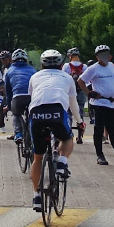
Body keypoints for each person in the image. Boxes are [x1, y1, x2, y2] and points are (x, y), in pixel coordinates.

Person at [23, 50, 77, 212]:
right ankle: (62, 162)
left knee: (37, 158)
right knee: (67, 138)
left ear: (42, 65)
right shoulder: (67, 77)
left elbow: (32, 97)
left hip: (37, 113)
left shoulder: (35, 77)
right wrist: (80, 122)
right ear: (61, 65)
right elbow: (73, 104)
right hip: (57, 111)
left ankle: (36, 196)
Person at [80, 45, 114, 165]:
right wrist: (89, 92)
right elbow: (80, 81)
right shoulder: (93, 68)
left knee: (113, 131)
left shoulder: (112, 67)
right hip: (98, 103)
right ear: (97, 57)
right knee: (98, 130)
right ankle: (100, 156)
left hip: (110, 103)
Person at [4, 48, 35, 141]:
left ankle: (18, 134)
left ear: (13, 60)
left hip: (17, 97)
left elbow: (8, 92)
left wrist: (9, 106)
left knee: (16, 114)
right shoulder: (32, 70)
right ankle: (33, 131)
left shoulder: (9, 71)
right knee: (33, 115)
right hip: (31, 97)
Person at [64, 48, 89, 142]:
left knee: (68, 113)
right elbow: (87, 80)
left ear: (70, 56)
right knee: (80, 112)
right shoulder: (84, 66)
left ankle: (69, 134)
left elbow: (64, 78)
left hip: (69, 92)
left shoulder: (67, 66)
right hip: (81, 92)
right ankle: (80, 136)